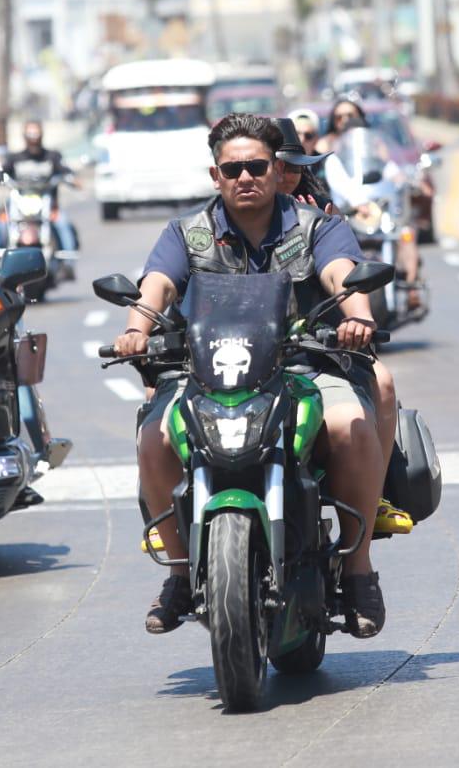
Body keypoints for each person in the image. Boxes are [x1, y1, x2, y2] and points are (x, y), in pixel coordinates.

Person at [112, 113, 389, 638]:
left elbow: (342, 275)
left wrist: (358, 318)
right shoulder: (187, 233)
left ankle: (358, 571)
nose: (245, 178)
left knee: (350, 423)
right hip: (207, 375)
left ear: (276, 167)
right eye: (232, 168)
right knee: (154, 436)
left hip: (303, 367)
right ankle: (176, 575)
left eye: (256, 166)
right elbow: (157, 287)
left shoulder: (318, 228)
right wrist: (135, 330)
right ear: (215, 176)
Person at [275, 118, 411, 538]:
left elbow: (341, 273)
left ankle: (373, 498)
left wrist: (358, 318)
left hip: (316, 347)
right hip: (238, 358)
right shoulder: (210, 226)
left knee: (381, 382)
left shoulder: (321, 218)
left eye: (293, 167)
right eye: (275, 166)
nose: (284, 176)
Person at [2, 120, 79, 257]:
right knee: (0, 223)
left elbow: (65, 170)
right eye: (30, 134)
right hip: (20, 206)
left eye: (36, 133)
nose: (33, 138)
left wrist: (72, 179)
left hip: (48, 205)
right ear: (24, 136)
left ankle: (68, 260)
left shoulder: (52, 156)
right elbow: (1, 172)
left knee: (63, 223)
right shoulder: (15, 158)